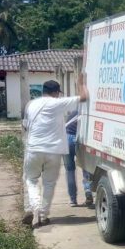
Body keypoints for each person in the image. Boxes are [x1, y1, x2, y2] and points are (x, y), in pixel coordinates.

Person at [22, 74, 88, 228]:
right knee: (49, 183)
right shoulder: (57, 103)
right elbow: (84, 97)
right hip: (53, 150)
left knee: (31, 180)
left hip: (34, 149)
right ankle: (43, 216)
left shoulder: (31, 105)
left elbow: (25, 125)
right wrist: (80, 83)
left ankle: (34, 208)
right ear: (56, 92)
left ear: (43, 91)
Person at [64, 109, 93, 207]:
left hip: (67, 139)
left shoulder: (74, 112)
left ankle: (73, 200)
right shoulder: (88, 112)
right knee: (86, 168)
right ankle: (88, 191)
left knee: (70, 170)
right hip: (80, 139)